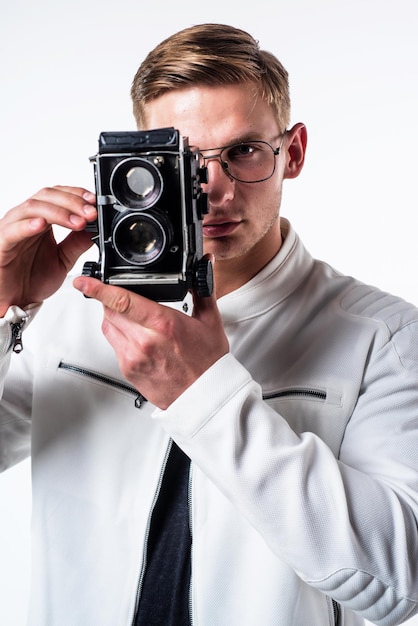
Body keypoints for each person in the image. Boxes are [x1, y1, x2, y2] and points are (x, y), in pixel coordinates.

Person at [1, 23, 418, 626]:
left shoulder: (386, 340)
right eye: (183, 160)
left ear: (292, 152)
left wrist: (206, 395)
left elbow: (396, 585)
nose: (212, 190)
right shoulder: (68, 312)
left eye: (244, 151)